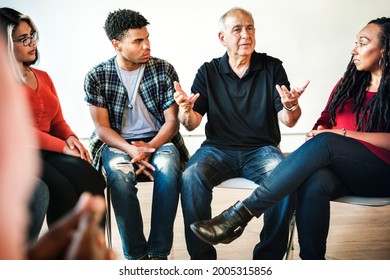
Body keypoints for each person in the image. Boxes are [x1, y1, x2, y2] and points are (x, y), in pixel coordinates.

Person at [191, 17, 390, 260]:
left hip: (381, 174)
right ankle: (311, 262)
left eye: (362, 43)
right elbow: (326, 119)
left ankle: (239, 215)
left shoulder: (271, 67)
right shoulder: (349, 83)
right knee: (312, 181)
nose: (354, 49)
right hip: (345, 172)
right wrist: (320, 131)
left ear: (385, 49)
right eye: (355, 42)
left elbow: (328, 134)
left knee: (326, 143)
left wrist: (337, 135)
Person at [174, 7, 309, 260]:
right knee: (191, 176)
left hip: (262, 150)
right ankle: (201, 261)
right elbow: (191, 123)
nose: (246, 34)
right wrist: (184, 110)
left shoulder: (272, 67)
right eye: (237, 29)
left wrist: (291, 105)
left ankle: (268, 260)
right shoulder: (208, 71)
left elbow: (288, 121)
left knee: (286, 178)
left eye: (250, 28)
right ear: (222, 38)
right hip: (217, 150)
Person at [84, 9, 189, 260]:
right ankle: (137, 258)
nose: (147, 45)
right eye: (138, 41)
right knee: (119, 176)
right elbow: (102, 128)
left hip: (159, 140)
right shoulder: (97, 76)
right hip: (117, 143)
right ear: (117, 45)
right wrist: (132, 150)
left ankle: (158, 252)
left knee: (168, 166)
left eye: (147, 38)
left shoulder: (163, 69)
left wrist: (148, 147)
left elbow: (172, 122)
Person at [0, 32, 114, 260]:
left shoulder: (42, 76)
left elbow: (57, 120)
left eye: (32, 36)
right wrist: (61, 146)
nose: (32, 43)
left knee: (91, 178)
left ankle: (94, 254)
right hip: (18, 150)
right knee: (60, 188)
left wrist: (70, 137)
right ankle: (65, 260)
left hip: (48, 148)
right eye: (23, 39)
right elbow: (17, 130)